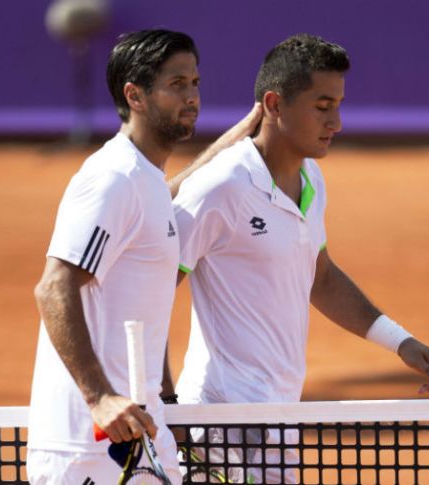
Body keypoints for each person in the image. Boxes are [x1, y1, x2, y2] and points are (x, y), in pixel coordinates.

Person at [168, 34, 429, 483]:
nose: (336, 121)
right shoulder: (221, 187)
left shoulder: (312, 178)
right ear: (275, 104)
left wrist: (399, 340)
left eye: (338, 105)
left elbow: (320, 279)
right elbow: (151, 290)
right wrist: (169, 408)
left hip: (279, 418)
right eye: (322, 106)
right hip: (218, 421)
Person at [26, 29, 261, 485]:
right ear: (134, 95)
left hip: (141, 431)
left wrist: (234, 144)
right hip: (88, 446)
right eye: (177, 85)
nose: (192, 96)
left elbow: (159, 200)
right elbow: (53, 285)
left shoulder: (144, 180)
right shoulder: (112, 178)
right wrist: (99, 398)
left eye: (194, 83)